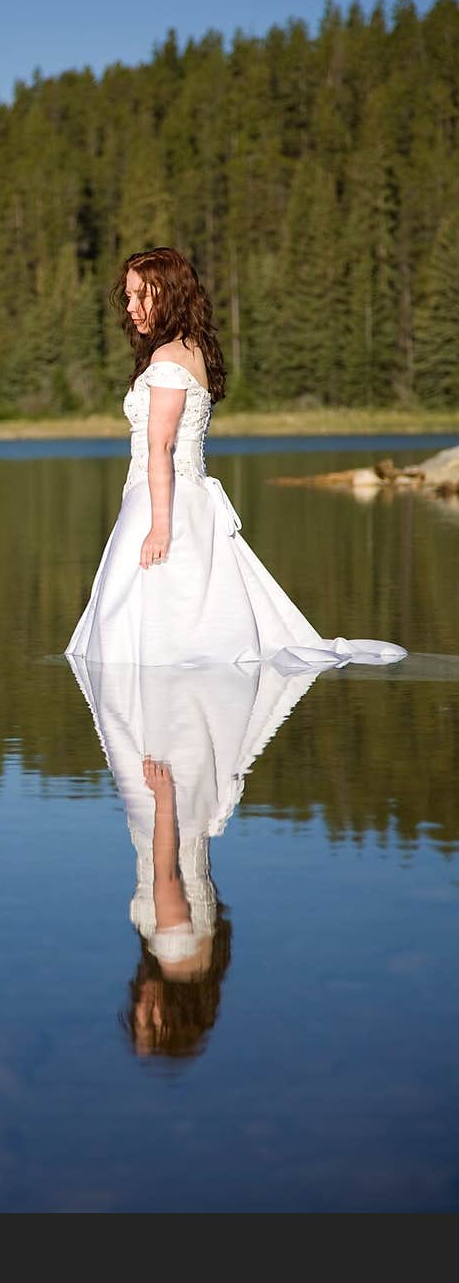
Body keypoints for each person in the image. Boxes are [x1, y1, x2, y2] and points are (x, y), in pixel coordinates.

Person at [65, 247, 406, 669]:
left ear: (169, 296)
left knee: (138, 629)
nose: (132, 307)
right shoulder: (189, 349)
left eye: (142, 296)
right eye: (129, 296)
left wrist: (158, 527)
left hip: (163, 501)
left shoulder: (168, 358)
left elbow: (162, 447)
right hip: (181, 496)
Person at [67, 653, 323, 1058]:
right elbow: (166, 876)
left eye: (137, 1017)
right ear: (178, 1016)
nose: (141, 1007)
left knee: (186, 685)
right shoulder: (173, 953)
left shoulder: (206, 964)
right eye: (152, 1021)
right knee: (152, 680)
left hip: (188, 809)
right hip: (165, 804)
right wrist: (163, 799)